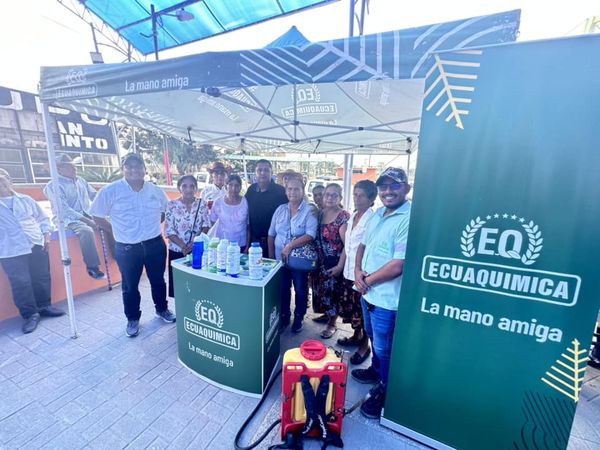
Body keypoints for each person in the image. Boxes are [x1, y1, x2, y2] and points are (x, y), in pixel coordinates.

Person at [90, 153, 175, 338]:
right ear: (123, 169)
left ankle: (162, 309)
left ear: (144, 169)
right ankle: (133, 319)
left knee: (158, 281)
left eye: (138, 166)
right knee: (129, 286)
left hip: (155, 245)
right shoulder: (110, 191)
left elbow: (166, 211)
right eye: (129, 166)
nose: (134, 170)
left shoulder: (155, 190)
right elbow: (96, 215)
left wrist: (153, 225)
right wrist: (115, 230)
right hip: (127, 248)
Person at [351, 167, 411, 419]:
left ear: (406, 189)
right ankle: (376, 372)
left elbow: (398, 265)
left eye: (394, 185)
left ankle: (386, 391)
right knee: (373, 336)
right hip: (368, 293)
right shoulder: (377, 214)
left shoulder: (409, 218)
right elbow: (362, 245)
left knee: (385, 348)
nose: (388, 191)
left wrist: (366, 281)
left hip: (387, 300)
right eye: (383, 186)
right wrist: (357, 271)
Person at [0, 168, 65, 334]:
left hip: (36, 243)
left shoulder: (26, 199)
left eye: (3, 178)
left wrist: (47, 236)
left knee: (42, 277)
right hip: (10, 249)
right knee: (21, 283)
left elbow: (43, 218)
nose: (1, 182)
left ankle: (45, 306)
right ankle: (30, 314)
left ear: (10, 180)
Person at [268, 172, 318, 333]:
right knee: (283, 289)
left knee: (300, 290)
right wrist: (271, 258)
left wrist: (290, 246)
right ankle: (285, 316)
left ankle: (299, 317)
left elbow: (311, 234)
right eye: (289, 189)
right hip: (279, 260)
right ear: (285, 191)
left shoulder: (310, 210)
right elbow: (271, 234)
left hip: (299, 260)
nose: (292, 192)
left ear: (303, 191)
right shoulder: (280, 209)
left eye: (296, 189)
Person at [43, 153, 105, 279]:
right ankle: (92, 267)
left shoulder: (81, 180)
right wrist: (88, 221)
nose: (74, 168)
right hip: (68, 219)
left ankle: (118, 255)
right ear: (59, 169)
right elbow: (64, 209)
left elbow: (94, 195)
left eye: (74, 166)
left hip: (87, 214)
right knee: (86, 231)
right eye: (70, 166)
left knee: (109, 222)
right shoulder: (53, 186)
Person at [337, 180, 377, 364]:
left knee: (362, 312)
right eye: (355, 194)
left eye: (362, 196)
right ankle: (356, 336)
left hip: (362, 274)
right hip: (348, 271)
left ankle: (364, 346)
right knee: (352, 309)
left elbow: (369, 248)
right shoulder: (353, 215)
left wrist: (361, 272)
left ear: (371, 199)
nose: (357, 198)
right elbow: (348, 245)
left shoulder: (373, 220)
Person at [311, 184, 350, 339]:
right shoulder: (320, 213)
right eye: (327, 194)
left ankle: (332, 323)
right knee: (321, 291)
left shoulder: (343, 217)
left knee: (333, 293)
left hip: (334, 262)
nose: (330, 198)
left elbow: (348, 245)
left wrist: (340, 265)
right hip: (319, 262)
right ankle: (326, 315)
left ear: (340, 198)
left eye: (335, 195)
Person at [165, 174, 208, 298]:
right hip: (177, 251)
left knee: (196, 285)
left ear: (196, 188)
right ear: (179, 188)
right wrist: (184, 246)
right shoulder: (172, 205)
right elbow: (169, 230)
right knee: (179, 286)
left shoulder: (202, 204)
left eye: (192, 186)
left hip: (197, 251)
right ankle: (181, 308)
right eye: (184, 186)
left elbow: (206, 226)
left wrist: (193, 244)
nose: (188, 189)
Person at [245, 159, 288, 256]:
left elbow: (294, 205)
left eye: (266, 170)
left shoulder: (281, 192)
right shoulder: (251, 190)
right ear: (255, 173)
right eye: (259, 170)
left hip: (274, 242)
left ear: (271, 173)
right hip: (253, 242)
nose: (262, 173)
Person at [210, 174, 249, 251]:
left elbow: (249, 227)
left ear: (240, 188)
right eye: (230, 185)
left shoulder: (245, 202)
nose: (233, 188)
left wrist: (247, 247)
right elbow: (212, 222)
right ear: (225, 186)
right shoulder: (218, 202)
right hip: (222, 245)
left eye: (237, 185)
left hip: (241, 244)